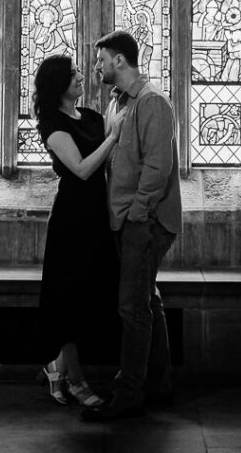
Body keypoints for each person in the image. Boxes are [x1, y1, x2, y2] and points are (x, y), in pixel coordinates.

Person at [83, 29, 182, 422]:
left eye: (100, 59)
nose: (96, 67)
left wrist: (137, 215)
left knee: (131, 308)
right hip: (126, 218)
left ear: (119, 60)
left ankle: (128, 393)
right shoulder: (117, 102)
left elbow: (157, 169)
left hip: (145, 220)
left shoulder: (153, 103)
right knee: (146, 301)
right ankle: (157, 383)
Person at [34, 53, 126, 408]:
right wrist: (113, 136)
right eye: (72, 74)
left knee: (91, 297)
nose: (80, 76)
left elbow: (109, 166)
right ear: (58, 83)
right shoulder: (53, 125)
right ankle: (76, 381)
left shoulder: (89, 116)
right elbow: (84, 169)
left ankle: (58, 365)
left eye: (79, 71)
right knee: (69, 300)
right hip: (72, 220)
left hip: (97, 217)